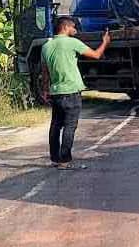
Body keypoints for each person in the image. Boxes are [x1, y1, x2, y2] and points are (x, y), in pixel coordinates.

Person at [41, 17, 111, 170]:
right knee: (70, 127)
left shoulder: (46, 46)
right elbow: (96, 55)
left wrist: (45, 90)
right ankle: (65, 161)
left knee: (55, 126)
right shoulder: (72, 43)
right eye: (73, 28)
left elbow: (45, 72)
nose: (76, 31)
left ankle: (55, 159)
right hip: (71, 91)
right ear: (65, 27)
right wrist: (105, 42)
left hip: (56, 92)